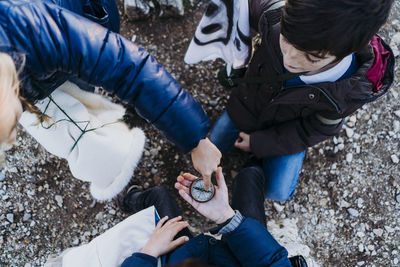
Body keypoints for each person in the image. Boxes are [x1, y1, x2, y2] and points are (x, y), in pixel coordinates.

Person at [0, 0, 221, 183]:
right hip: (46, 65)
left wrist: (195, 140)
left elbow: (127, 68)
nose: (13, 138)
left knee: (89, 79)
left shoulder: (29, 29)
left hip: (81, 17)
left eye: (9, 127)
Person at [207, 0, 395, 201]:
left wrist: (259, 143)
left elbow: (316, 129)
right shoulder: (275, 14)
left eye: (311, 57)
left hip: (287, 132)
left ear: (348, 52)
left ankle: (255, 164)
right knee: (214, 143)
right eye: (286, 39)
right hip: (246, 106)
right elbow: (239, 8)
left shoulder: (350, 90)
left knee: (276, 192)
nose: (290, 59)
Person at [120, 167, 308, 267]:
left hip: (180, 255)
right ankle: (251, 159)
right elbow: (273, 263)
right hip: (240, 260)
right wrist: (227, 217)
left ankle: (128, 200)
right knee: (250, 175)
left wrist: (148, 253)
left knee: (158, 195)